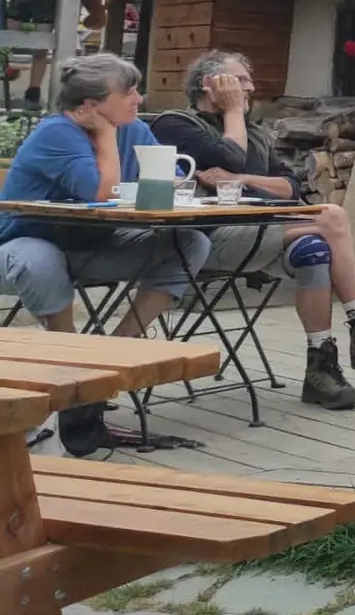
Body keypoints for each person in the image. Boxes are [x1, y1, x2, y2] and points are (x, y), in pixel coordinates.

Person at [148, 49, 355, 410]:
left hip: (263, 233)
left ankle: (320, 369)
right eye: (240, 80)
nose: (250, 88)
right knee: (332, 216)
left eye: (248, 81)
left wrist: (241, 180)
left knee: (315, 250)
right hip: (208, 239)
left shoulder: (255, 133)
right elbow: (229, 156)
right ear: (209, 83)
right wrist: (233, 114)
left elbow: (289, 186)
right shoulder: (175, 124)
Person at [0, 53, 211, 455]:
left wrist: (164, 184)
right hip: (20, 244)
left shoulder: (135, 128)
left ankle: (111, 357)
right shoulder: (57, 132)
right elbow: (99, 192)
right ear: (91, 105)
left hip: (91, 246)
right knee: (39, 260)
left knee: (190, 243)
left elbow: (166, 179)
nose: (139, 98)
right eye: (128, 91)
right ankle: (70, 364)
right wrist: (106, 136)